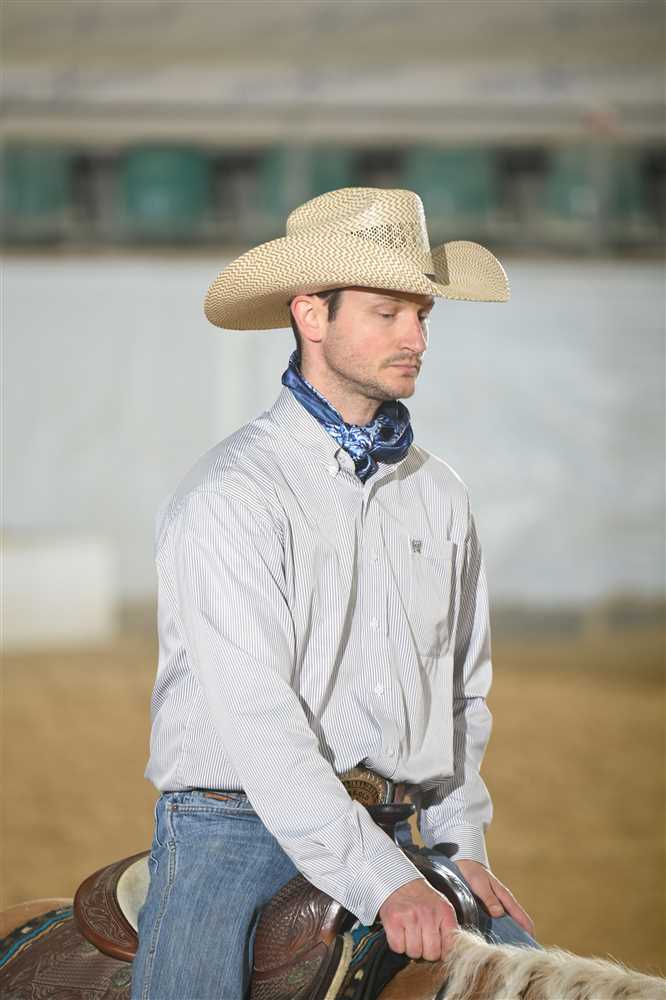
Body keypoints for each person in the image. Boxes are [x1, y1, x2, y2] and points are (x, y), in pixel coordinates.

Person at [131, 186, 538, 1000]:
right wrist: (382, 880)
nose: (417, 338)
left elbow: (460, 698)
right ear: (311, 315)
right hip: (233, 831)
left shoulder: (439, 495)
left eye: (422, 315)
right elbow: (256, 718)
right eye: (388, 313)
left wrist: (460, 846)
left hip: (401, 828)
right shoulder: (231, 494)